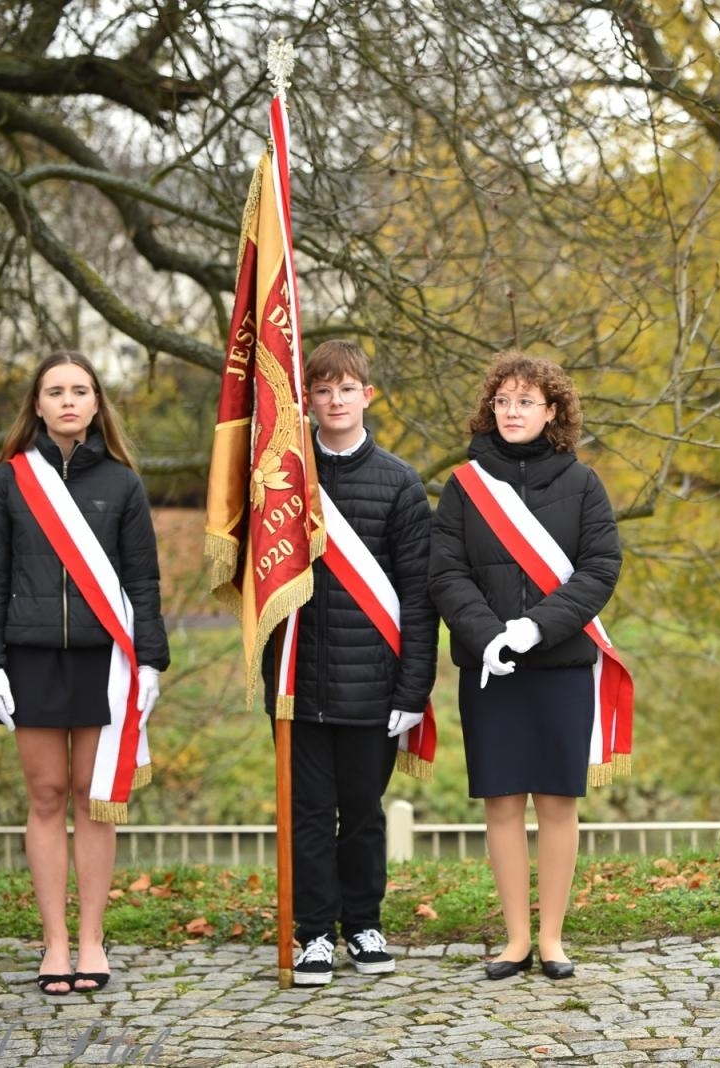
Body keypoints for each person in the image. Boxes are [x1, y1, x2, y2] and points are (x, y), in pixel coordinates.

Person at [0, 351, 168, 995]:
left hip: (104, 660)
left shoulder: (123, 483)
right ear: (36, 404)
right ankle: (54, 942)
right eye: (55, 391)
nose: (68, 401)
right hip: (29, 658)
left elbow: (143, 581)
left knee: (95, 799)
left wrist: (152, 660)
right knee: (48, 796)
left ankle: (91, 940)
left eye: (80, 390)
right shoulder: (7, 482)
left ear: (95, 402)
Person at [430, 350, 622, 982]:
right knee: (503, 802)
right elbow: (446, 572)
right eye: (503, 401)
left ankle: (553, 938)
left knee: (558, 802)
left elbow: (600, 569)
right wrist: (488, 635)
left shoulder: (583, 483)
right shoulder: (464, 486)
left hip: (561, 663)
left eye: (526, 402)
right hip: (492, 668)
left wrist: (536, 625)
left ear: (553, 411)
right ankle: (515, 940)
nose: (512, 412)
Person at [265, 339, 437, 986]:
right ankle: (313, 932)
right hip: (298, 680)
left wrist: (412, 688)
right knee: (308, 811)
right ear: (307, 398)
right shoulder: (280, 474)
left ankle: (364, 922)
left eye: (347, 389)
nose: (335, 400)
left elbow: (419, 599)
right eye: (322, 389)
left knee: (362, 812)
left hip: (375, 685)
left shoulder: (400, 482)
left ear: (368, 396)